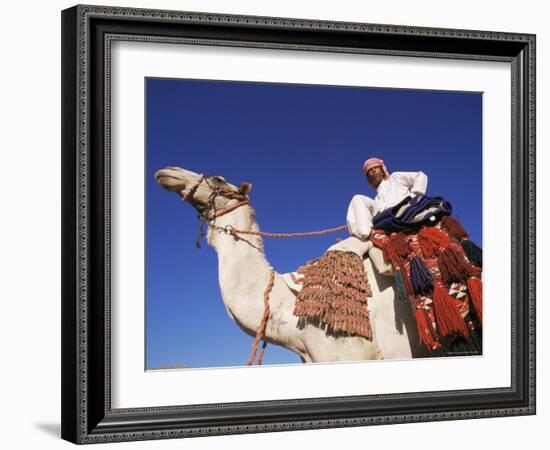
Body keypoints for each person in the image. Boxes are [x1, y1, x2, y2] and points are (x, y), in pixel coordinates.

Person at [346, 157, 428, 240]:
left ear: (382, 171)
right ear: (369, 178)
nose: (373, 171)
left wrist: (415, 195)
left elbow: (420, 176)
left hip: (404, 210)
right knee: (357, 199)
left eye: (376, 168)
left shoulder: (395, 178)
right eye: (370, 170)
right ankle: (366, 235)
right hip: (387, 217)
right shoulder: (377, 200)